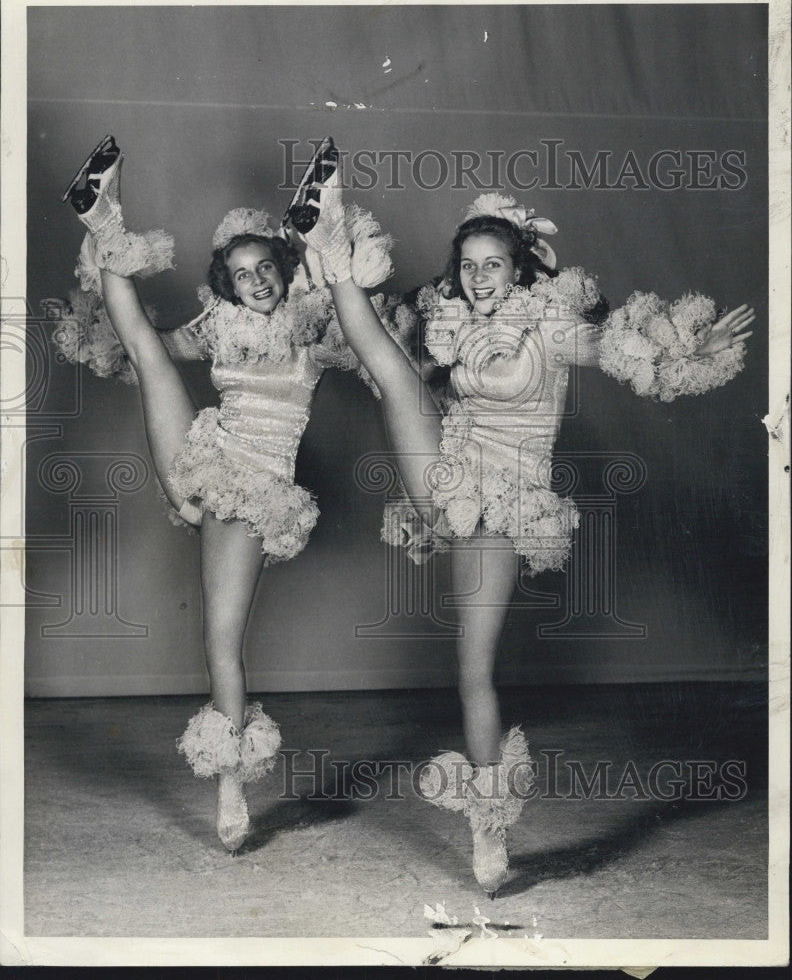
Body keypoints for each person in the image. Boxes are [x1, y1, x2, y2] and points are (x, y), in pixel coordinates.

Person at [285, 140, 755, 897]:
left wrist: (692, 343)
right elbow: (393, 343)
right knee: (392, 369)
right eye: (467, 264)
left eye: (492, 264)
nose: (476, 278)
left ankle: (489, 835)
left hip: (505, 499)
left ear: (520, 268)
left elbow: (629, 350)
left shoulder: (554, 326)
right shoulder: (451, 321)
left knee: (473, 669)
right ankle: (325, 229)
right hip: (446, 470)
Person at [52, 135, 395, 853]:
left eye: (265, 268)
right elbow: (153, 344)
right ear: (227, 283)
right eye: (241, 274)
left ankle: (232, 779)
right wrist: (119, 345)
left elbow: (360, 331)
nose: (256, 282)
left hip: (253, 489)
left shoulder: (309, 327)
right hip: (205, 462)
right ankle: (101, 216)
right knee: (147, 350)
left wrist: (329, 248)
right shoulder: (216, 324)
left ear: (282, 270)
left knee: (222, 643)